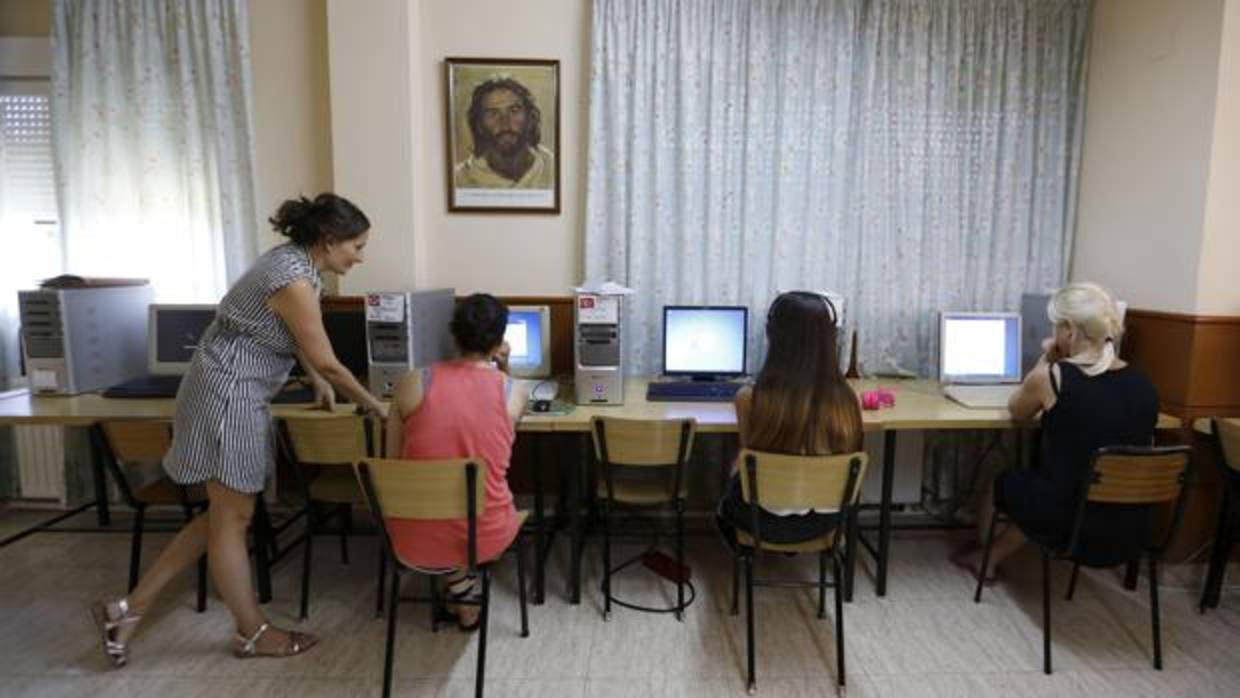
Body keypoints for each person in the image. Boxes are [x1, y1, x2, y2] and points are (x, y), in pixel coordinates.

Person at [92, 193, 388, 667]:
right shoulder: (292, 277)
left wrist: (312, 377)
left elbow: (290, 335)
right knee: (234, 519)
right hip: (230, 395)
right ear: (329, 241)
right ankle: (252, 633)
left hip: (220, 386)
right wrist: (376, 407)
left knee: (221, 516)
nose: (361, 255)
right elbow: (331, 362)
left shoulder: (289, 262)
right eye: (357, 245)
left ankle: (127, 609)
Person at [954, 283, 1158, 584]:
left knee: (1005, 482)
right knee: (1058, 486)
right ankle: (994, 553)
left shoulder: (1053, 377)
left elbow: (1017, 411)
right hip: (1130, 523)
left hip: (1066, 517)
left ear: (1069, 332)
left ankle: (987, 558)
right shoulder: (1144, 384)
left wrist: (1046, 359)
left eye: (1056, 327)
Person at [384, 293, 530, 629]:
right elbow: (505, 440)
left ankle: (458, 585)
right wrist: (503, 365)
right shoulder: (514, 392)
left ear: (454, 334)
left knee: (445, 499)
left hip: (410, 535)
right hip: (486, 533)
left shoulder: (411, 383)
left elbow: (392, 464)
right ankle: (461, 588)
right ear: (499, 340)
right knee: (468, 501)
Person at [716, 291, 864, 546]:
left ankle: (746, 555)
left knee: (733, 470)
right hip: (826, 522)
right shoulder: (848, 399)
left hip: (762, 520)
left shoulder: (750, 398)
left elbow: (746, 457)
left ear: (772, 334)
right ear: (829, 338)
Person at [454, 77, 555, 189]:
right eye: (493, 113)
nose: (505, 122)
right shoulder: (459, 179)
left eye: (514, 110)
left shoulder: (553, 169)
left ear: (530, 118)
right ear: (479, 125)